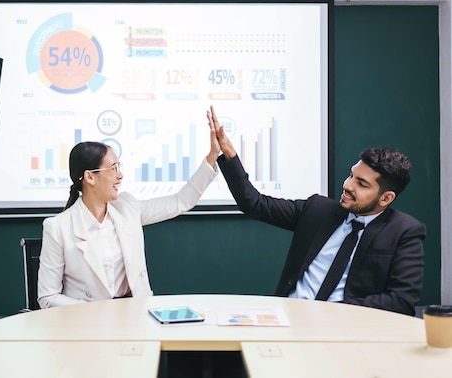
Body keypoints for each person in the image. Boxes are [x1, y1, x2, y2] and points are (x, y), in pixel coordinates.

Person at [208, 105, 426, 316]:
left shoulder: (404, 232)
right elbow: (253, 203)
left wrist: (334, 312)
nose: (348, 185)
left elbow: (401, 301)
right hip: (289, 318)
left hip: (346, 328)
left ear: (386, 198)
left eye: (362, 184)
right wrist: (228, 153)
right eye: (351, 176)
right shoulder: (317, 210)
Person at [37, 128, 219, 309]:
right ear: (89, 177)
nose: (120, 175)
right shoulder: (58, 227)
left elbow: (180, 201)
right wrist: (90, 312)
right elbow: (48, 297)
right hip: (88, 323)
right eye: (113, 168)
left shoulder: (127, 207)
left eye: (119, 167)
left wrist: (212, 156)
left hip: (135, 314)